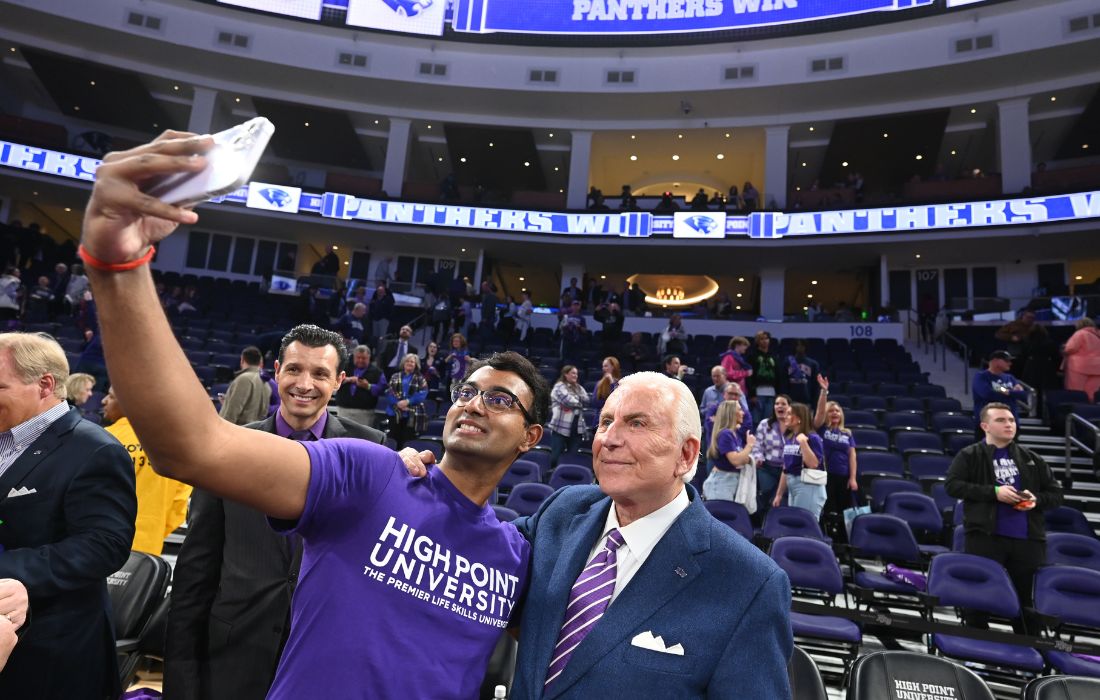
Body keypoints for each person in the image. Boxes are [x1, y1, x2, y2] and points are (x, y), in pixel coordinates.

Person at [80, 130, 553, 697]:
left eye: (499, 399)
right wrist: (117, 264)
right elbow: (193, 446)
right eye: (466, 391)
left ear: (531, 437)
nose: (473, 403)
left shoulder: (515, 555)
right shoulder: (371, 472)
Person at [509, 372, 791, 697]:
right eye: (605, 422)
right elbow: (480, 554)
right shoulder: (562, 510)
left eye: (637, 424)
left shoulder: (749, 582)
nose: (609, 438)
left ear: (685, 455)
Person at [166, 325, 385, 700]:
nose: (305, 384)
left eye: (320, 373)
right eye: (295, 369)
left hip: (324, 665)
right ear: (277, 371)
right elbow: (194, 576)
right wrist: (181, 688)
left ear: (339, 381)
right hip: (233, 659)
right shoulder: (228, 448)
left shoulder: (373, 451)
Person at [0, 332, 136, 700]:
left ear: (44, 385)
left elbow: (103, 546)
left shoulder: (96, 449)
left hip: (51, 647)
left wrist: (7, 568)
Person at [946, 402, 1063, 630]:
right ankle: (975, 645)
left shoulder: (1031, 458)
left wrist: (1036, 499)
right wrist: (994, 492)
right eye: (1001, 420)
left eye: (1011, 420)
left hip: (1028, 540)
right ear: (985, 426)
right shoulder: (970, 455)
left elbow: (1056, 494)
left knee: (1027, 604)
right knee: (978, 598)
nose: (1009, 424)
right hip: (986, 537)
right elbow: (953, 486)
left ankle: (1028, 649)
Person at [102, 386, 191, 555]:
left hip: (101, 544)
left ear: (130, 403)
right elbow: (179, 504)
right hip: (147, 546)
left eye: (111, 396)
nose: (103, 400)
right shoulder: (174, 444)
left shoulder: (101, 439)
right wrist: (155, 531)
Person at [814, 376, 858, 540]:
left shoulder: (847, 433)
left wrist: (852, 478)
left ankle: (844, 541)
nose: (835, 413)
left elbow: (852, 455)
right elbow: (819, 413)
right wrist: (824, 392)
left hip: (844, 476)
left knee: (844, 512)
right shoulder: (822, 429)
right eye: (831, 410)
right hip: (827, 476)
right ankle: (828, 539)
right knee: (829, 510)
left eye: (837, 411)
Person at [772, 402, 826, 519]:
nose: (785, 416)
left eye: (789, 413)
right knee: (796, 522)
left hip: (808, 486)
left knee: (805, 523)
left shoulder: (812, 438)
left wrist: (803, 443)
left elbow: (813, 464)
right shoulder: (790, 438)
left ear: (799, 418)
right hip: (792, 485)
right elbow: (786, 468)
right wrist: (779, 494)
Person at [701, 401, 756, 501]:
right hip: (721, 483)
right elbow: (736, 460)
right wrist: (749, 445)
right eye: (740, 409)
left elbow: (742, 459)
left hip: (729, 482)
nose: (743, 413)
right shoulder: (725, 434)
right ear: (731, 413)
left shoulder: (735, 434)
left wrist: (746, 458)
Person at [332, 345, 385, 428]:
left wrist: (368, 386)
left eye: (363, 358)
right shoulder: (344, 367)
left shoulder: (377, 372)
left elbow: (382, 390)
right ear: (354, 357)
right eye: (358, 357)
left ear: (369, 357)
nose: (360, 360)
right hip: (343, 410)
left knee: (362, 436)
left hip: (365, 413)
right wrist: (347, 379)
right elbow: (332, 381)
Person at [548, 365, 590, 467]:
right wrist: (578, 402)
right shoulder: (559, 386)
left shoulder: (579, 387)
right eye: (573, 373)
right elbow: (568, 400)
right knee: (555, 457)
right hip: (560, 427)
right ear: (565, 374)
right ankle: (552, 473)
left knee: (571, 458)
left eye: (576, 373)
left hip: (576, 427)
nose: (575, 375)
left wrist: (576, 401)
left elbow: (587, 400)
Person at [385, 353, 429, 448]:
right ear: (403, 363)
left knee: (407, 442)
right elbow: (389, 392)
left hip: (412, 415)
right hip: (394, 412)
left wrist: (408, 402)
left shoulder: (420, 378)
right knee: (393, 439)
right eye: (407, 361)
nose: (409, 363)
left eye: (412, 362)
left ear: (416, 364)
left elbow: (423, 394)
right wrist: (398, 403)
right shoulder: (395, 376)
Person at [972, 350, 1029, 424]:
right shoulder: (981, 376)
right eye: (1006, 361)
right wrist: (1012, 392)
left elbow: (1023, 395)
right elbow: (987, 394)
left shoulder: (1010, 377)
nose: (1010, 363)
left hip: (1010, 422)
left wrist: (1006, 391)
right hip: (989, 422)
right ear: (995, 361)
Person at [219, 345, 272, 426]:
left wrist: (222, 429)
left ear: (242, 360)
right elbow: (262, 414)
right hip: (253, 431)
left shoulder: (243, 379)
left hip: (236, 430)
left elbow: (232, 413)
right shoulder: (266, 384)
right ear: (260, 362)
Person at [1062, 317, 1100, 400]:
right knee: (1093, 392)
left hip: (1079, 367)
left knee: (1076, 391)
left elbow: (1070, 348)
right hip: (1097, 368)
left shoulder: (1080, 333)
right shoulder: (1098, 335)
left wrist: (1064, 348)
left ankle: (1078, 407)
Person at [747, 330, 779, 421]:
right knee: (756, 420)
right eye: (762, 339)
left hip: (772, 393)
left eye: (766, 338)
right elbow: (749, 377)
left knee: (767, 421)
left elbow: (778, 375)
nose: (765, 341)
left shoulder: (774, 356)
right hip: (758, 393)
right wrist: (752, 395)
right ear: (757, 341)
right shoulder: (752, 356)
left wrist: (778, 393)